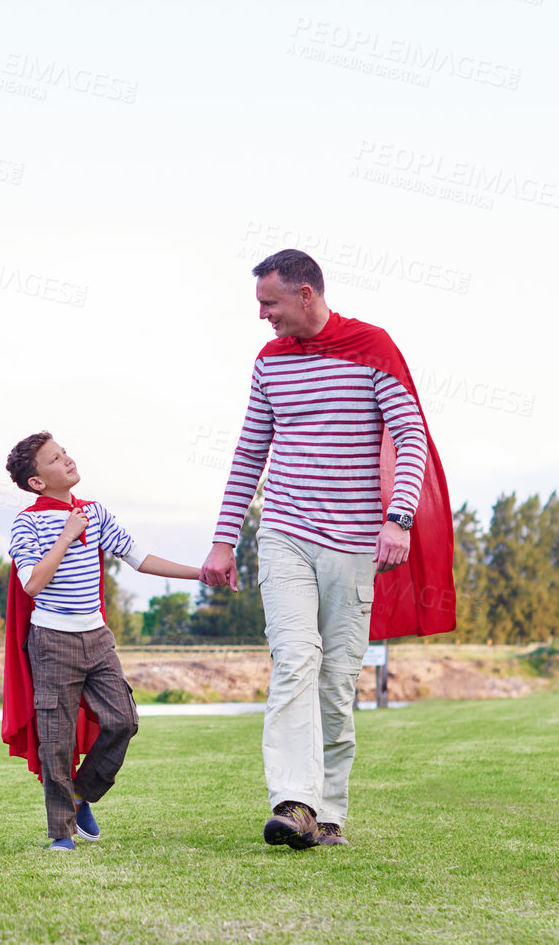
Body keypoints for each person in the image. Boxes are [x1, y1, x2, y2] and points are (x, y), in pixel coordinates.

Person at [200, 249, 454, 850]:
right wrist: (223, 538)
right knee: (293, 659)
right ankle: (293, 802)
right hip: (285, 531)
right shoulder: (269, 362)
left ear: (305, 294)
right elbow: (248, 454)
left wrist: (398, 518)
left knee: (336, 681)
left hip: (353, 541)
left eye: (270, 303)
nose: (263, 315)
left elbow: (411, 433)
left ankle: (328, 813)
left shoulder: (372, 346)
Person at [1, 432, 203, 850]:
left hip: (97, 638)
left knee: (123, 720)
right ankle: (61, 834)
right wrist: (67, 534)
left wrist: (201, 572)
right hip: (52, 640)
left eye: (65, 453)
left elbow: (140, 558)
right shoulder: (28, 522)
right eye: (56, 459)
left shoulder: (96, 513)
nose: (68, 461)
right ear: (37, 481)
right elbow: (33, 583)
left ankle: (81, 794)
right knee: (56, 739)